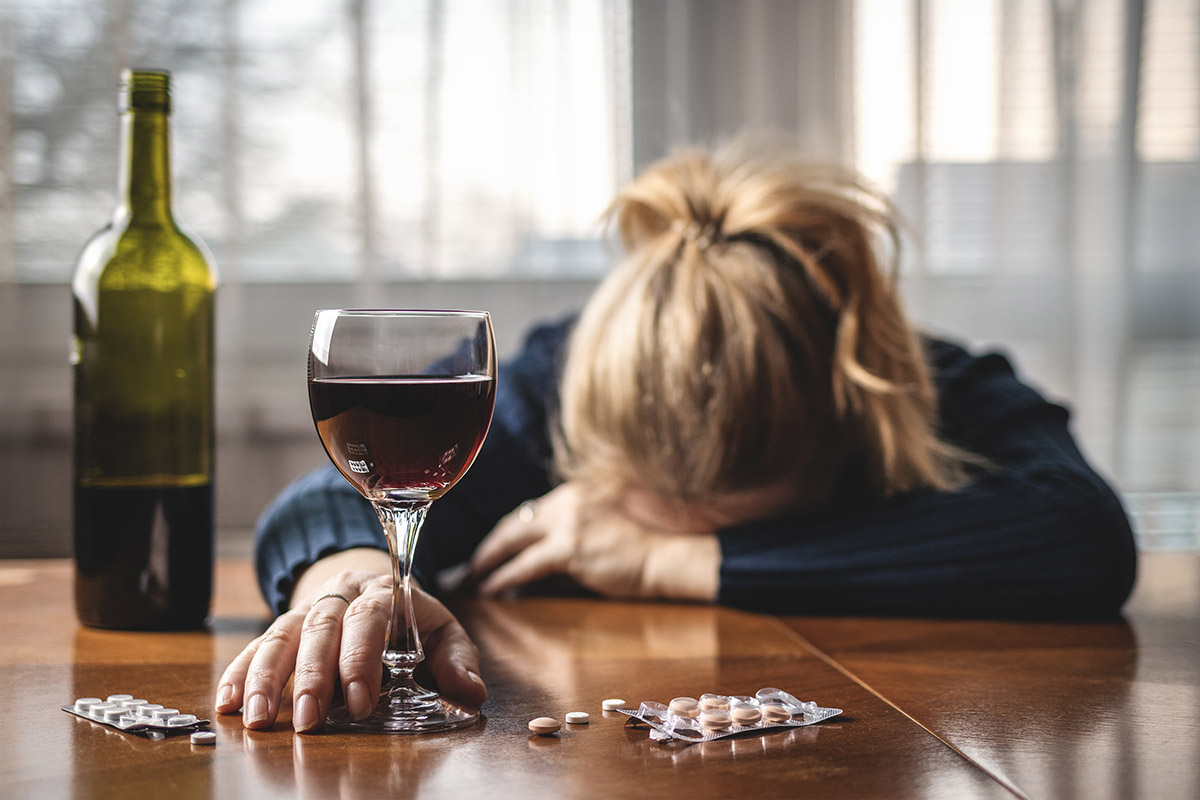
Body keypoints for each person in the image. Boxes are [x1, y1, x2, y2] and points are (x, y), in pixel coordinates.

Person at [216, 140, 1137, 733]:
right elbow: (336, 496)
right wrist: (353, 585)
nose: (677, 530)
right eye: (655, 510)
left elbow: (1084, 538)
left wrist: (672, 563)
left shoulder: (924, 388)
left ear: (841, 430)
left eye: (724, 521)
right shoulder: (558, 377)